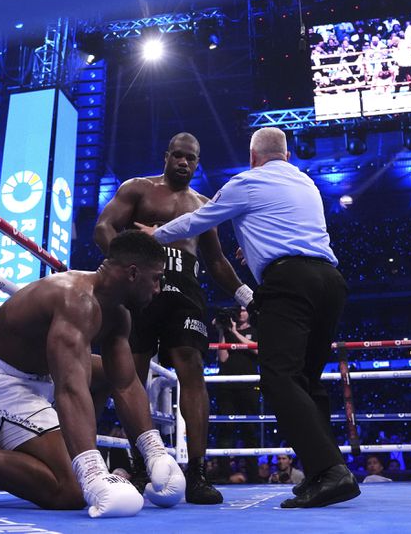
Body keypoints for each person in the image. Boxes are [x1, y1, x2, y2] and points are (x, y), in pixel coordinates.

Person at [136, 127, 359, 508]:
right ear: (287, 157)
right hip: (330, 283)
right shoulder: (306, 185)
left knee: (279, 379)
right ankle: (327, 472)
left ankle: (330, 471)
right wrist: (255, 252)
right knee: (307, 382)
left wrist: (153, 236)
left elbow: (196, 221)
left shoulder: (246, 182)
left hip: (289, 284)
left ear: (254, 157)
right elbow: (285, 231)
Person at [0, 231, 185, 518]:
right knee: (70, 491)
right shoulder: (74, 298)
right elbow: (70, 388)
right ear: (133, 273)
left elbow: (125, 382)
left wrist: (155, 452)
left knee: (107, 371)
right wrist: (91, 473)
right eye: (156, 278)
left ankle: (75, 450)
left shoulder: (119, 315)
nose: (158, 289)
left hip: (35, 381)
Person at [94, 132, 254, 505]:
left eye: (191, 158)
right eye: (178, 155)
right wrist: (126, 265)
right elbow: (104, 227)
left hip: (186, 291)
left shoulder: (202, 204)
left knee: (192, 367)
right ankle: (137, 465)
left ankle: (196, 472)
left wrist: (246, 294)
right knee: (129, 373)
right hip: (138, 290)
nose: (184, 162)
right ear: (166, 156)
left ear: (198, 163)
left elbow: (215, 260)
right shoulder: (138, 189)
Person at [212, 305, 259, 481]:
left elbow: (257, 349)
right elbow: (223, 358)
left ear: (249, 313)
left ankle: (254, 476)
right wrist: (223, 331)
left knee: (250, 430)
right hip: (227, 385)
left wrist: (235, 332)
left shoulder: (255, 330)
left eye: (244, 310)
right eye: (238, 310)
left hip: (249, 385)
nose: (241, 313)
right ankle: (224, 474)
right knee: (226, 429)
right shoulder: (227, 333)